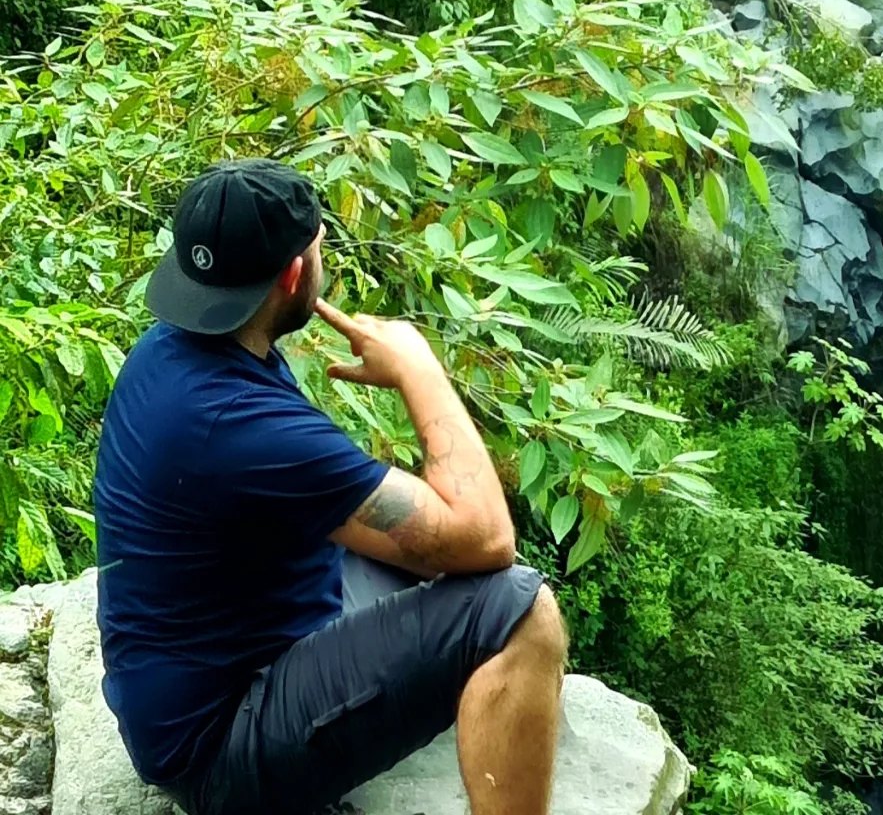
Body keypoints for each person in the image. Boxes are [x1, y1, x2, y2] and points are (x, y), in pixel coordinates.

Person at [92, 158, 566, 815]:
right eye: (319, 247)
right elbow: (488, 539)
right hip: (221, 748)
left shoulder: (177, 347)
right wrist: (419, 370)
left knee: (445, 569)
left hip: (215, 665)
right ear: (293, 275)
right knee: (521, 612)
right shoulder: (241, 427)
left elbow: (369, 512)